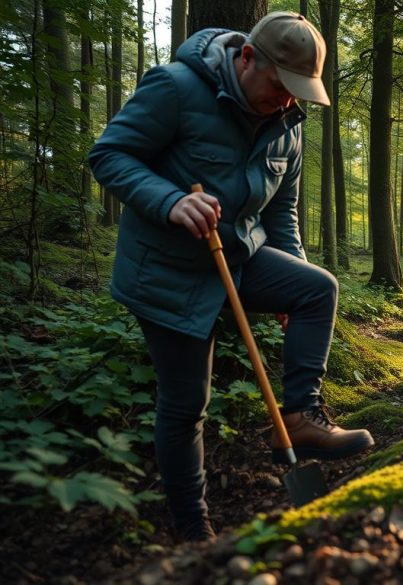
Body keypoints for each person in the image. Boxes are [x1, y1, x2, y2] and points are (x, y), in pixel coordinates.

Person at [88, 12, 373, 542]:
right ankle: (193, 527)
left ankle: (299, 417)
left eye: (298, 92)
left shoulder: (288, 125)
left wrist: (291, 273)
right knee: (185, 401)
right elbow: (109, 155)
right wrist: (170, 201)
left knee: (316, 288)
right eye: (279, 86)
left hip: (238, 257)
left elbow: (280, 213)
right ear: (246, 58)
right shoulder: (175, 88)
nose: (287, 100)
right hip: (167, 271)